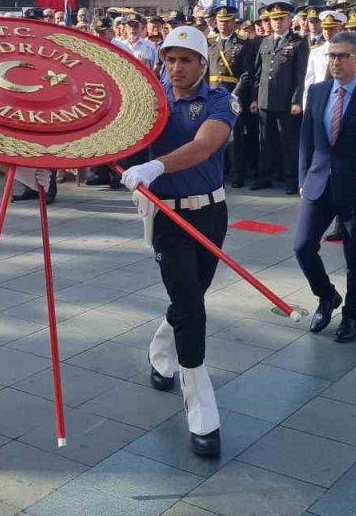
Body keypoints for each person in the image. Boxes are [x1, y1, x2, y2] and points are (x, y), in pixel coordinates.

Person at [120, 25, 238, 458]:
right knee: (190, 303)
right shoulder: (151, 102)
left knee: (192, 296)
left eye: (186, 59)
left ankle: (160, 347)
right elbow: (115, 135)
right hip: (167, 217)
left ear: (203, 63)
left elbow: (205, 146)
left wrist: (155, 166)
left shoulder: (220, 101)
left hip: (210, 213)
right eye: (169, 59)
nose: (176, 67)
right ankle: (201, 405)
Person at [293, 31, 356, 343]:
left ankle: (351, 315)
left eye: (342, 56)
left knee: (355, 257)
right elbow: (306, 139)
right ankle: (326, 295)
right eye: (331, 55)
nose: (335, 62)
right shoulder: (317, 91)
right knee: (303, 246)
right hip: (318, 182)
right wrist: (303, 178)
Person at [252, 3, 309, 193]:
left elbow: (300, 75)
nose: (276, 22)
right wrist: (255, 98)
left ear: (289, 20)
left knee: (288, 143)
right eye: (274, 19)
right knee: (264, 142)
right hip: (265, 99)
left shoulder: (298, 42)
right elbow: (258, 73)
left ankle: (291, 180)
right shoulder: (265, 41)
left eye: (280, 19)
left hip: (286, 101)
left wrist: (296, 100)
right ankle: (264, 177)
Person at [207, 5, 259, 188]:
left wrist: (236, 94)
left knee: (234, 136)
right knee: (212, 136)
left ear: (233, 23)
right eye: (220, 21)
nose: (223, 25)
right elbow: (205, 70)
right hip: (213, 93)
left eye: (227, 21)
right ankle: (218, 173)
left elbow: (247, 73)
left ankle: (237, 175)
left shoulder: (244, 44)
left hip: (232, 94)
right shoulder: (210, 42)